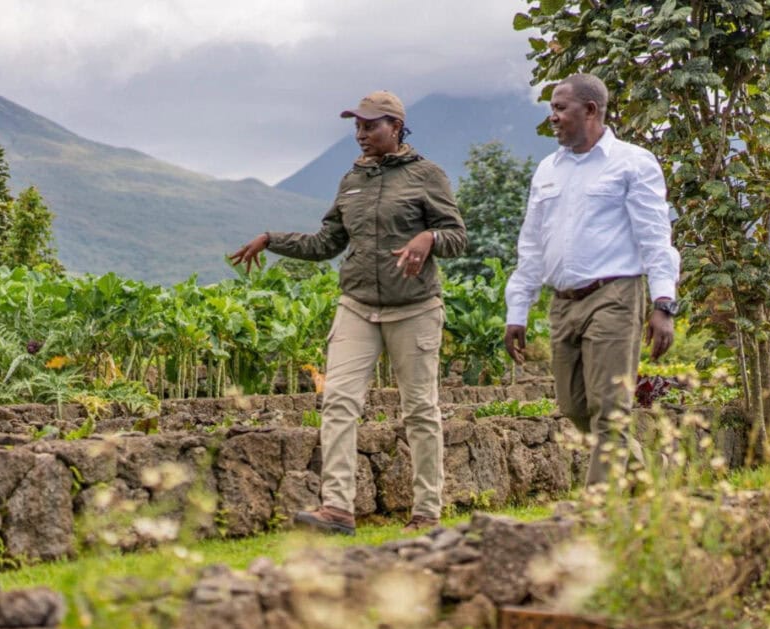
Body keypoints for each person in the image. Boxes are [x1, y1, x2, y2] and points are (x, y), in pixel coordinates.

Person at [231, 91, 467, 535]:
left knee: (420, 410)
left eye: (370, 125)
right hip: (357, 305)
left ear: (396, 127)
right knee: (338, 401)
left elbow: (457, 236)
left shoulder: (427, 175)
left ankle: (426, 512)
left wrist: (428, 239)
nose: (361, 134)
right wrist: (272, 239)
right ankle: (337, 509)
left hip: (414, 308)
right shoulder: (351, 181)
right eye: (357, 126)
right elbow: (327, 243)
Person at [503, 73, 680, 485]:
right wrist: (518, 310)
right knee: (573, 407)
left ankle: (596, 509)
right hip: (563, 302)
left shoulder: (632, 162)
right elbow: (532, 244)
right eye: (551, 108)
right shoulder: (548, 170)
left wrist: (663, 304)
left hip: (614, 295)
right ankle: (647, 473)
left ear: (590, 110)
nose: (552, 117)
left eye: (560, 108)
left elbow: (656, 238)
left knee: (609, 408)